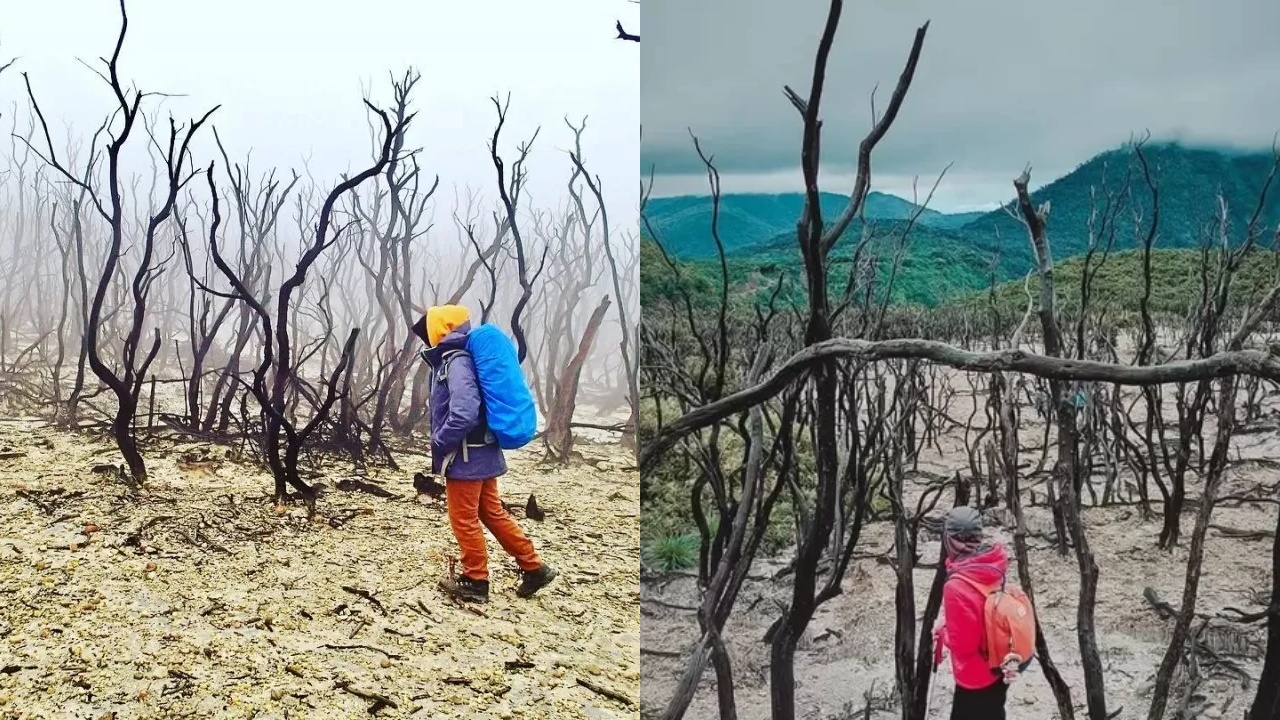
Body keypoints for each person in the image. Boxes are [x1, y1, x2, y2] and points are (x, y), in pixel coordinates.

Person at [410, 304, 557, 603]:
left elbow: (464, 412)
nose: (425, 337)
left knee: (463, 519)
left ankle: (476, 581)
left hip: (466, 455)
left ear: (439, 329)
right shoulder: (459, 358)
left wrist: (440, 441)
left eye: (427, 331)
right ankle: (534, 567)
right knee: (491, 512)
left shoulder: (456, 360)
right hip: (481, 451)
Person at [933, 506, 1018, 720]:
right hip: (1000, 666)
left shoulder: (956, 585)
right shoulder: (994, 563)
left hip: (975, 677)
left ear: (949, 539)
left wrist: (943, 632)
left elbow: (964, 646)